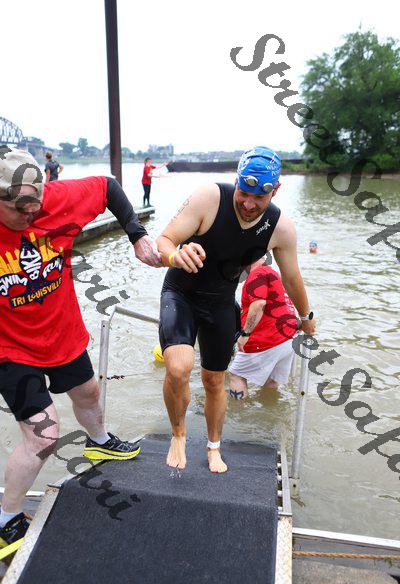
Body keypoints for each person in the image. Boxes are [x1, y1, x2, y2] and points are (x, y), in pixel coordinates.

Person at [0, 146, 161, 549]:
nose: (30, 216)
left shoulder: (58, 200)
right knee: (44, 436)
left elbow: (108, 186)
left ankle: (100, 443)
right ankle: (6, 519)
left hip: (62, 332)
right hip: (10, 350)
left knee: (88, 392)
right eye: (20, 210)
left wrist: (138, 236)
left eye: (36, 207)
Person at [156, 146, 316, 474]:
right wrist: (174, 256)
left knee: (215, 380)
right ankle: (178, 433)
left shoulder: (281, 228)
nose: (249, 204)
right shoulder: (209, 198)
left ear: (275, 190)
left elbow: (292, 277)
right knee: (179, 367)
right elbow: (164, 240)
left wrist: (305, 317)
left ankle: (213, 447)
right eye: (244, 192)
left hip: (220, 303)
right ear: (236, 180)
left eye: (260, 197)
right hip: (181, 294)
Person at [228, 260, 298, 398]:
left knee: (236, 375)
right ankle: (269, 410)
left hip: (268, 339)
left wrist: (245, 334)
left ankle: (238, 410)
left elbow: (259, 304)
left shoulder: (257, 273)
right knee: (270, 381)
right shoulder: (273, 273)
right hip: (287, 337)